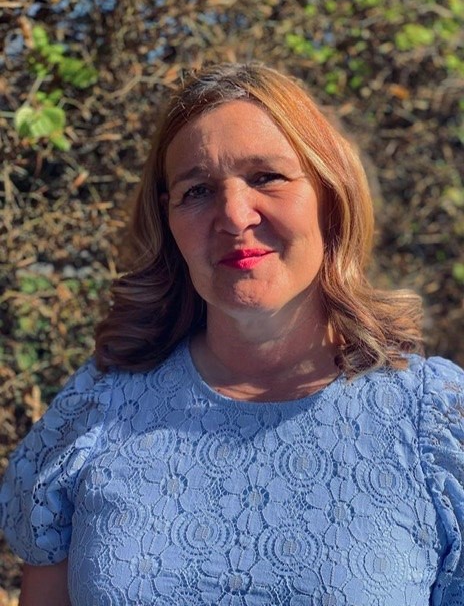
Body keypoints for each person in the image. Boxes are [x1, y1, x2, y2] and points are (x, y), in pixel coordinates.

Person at [1, 62, 463, 606]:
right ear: (169, 221)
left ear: (330, 193)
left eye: (266, 177)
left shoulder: (433, 422)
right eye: (197, 190)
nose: (234, 215)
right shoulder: (98, 408)